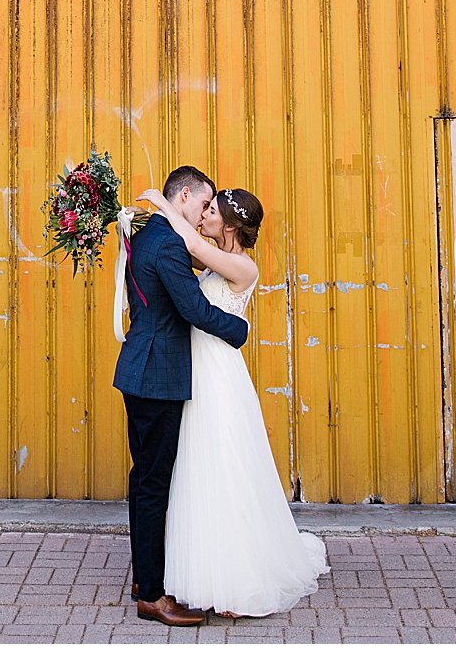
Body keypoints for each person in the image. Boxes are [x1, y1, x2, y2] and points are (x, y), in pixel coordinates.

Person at [138, 183, 330, 619]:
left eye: (210, 210)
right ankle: (204, 569)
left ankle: (237, 578)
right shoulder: (213, 259)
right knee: (200, 471)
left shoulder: (243, 267)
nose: (202, 215)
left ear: (228, 223)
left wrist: (160, 202)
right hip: (196, 373)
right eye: (202, 207)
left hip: (219, 378)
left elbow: (187, 242)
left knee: (225, 468)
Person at [112, 165, 250, 628]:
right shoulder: (170, 241)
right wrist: (239, 330)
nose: (205, 212)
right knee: (153, 484)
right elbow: (193, 308)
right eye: (203, 203)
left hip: (142, 369)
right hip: (158, 376)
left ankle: (143, 576)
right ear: (185, 195)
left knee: (143, 478)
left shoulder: (149, 232)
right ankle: (152, 595)